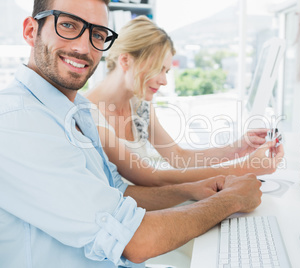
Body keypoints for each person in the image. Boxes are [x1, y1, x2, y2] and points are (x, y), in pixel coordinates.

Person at [0, 0, 280, 267]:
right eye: (69, 25)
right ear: (30, 30)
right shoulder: (18, 121)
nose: (83, 46)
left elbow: (121, 190)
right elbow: (138, 220)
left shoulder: (79, 111)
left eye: (97, 34)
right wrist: (234, 191)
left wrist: (202, 182)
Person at [86, 16, 285, 186]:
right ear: (125, 60)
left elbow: (178, 157)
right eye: (158, 69)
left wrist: (237, 148)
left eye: (167, 71)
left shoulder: (139, 104)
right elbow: (152, 178)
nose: (163, 81)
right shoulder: (88, 114)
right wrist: (246, 168)